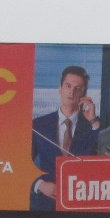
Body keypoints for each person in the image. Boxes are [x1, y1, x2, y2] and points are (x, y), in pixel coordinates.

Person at [30, 65, 101, 210]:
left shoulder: (94, 126)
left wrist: (93, 121)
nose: (71, 92)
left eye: (78, 88)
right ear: (60, 89)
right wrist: (40, 185)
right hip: (46, 205)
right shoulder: (38, 125)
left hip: (82, 204)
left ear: (84, 95)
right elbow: (21, 164)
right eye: (68, 86)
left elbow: (104, 161)